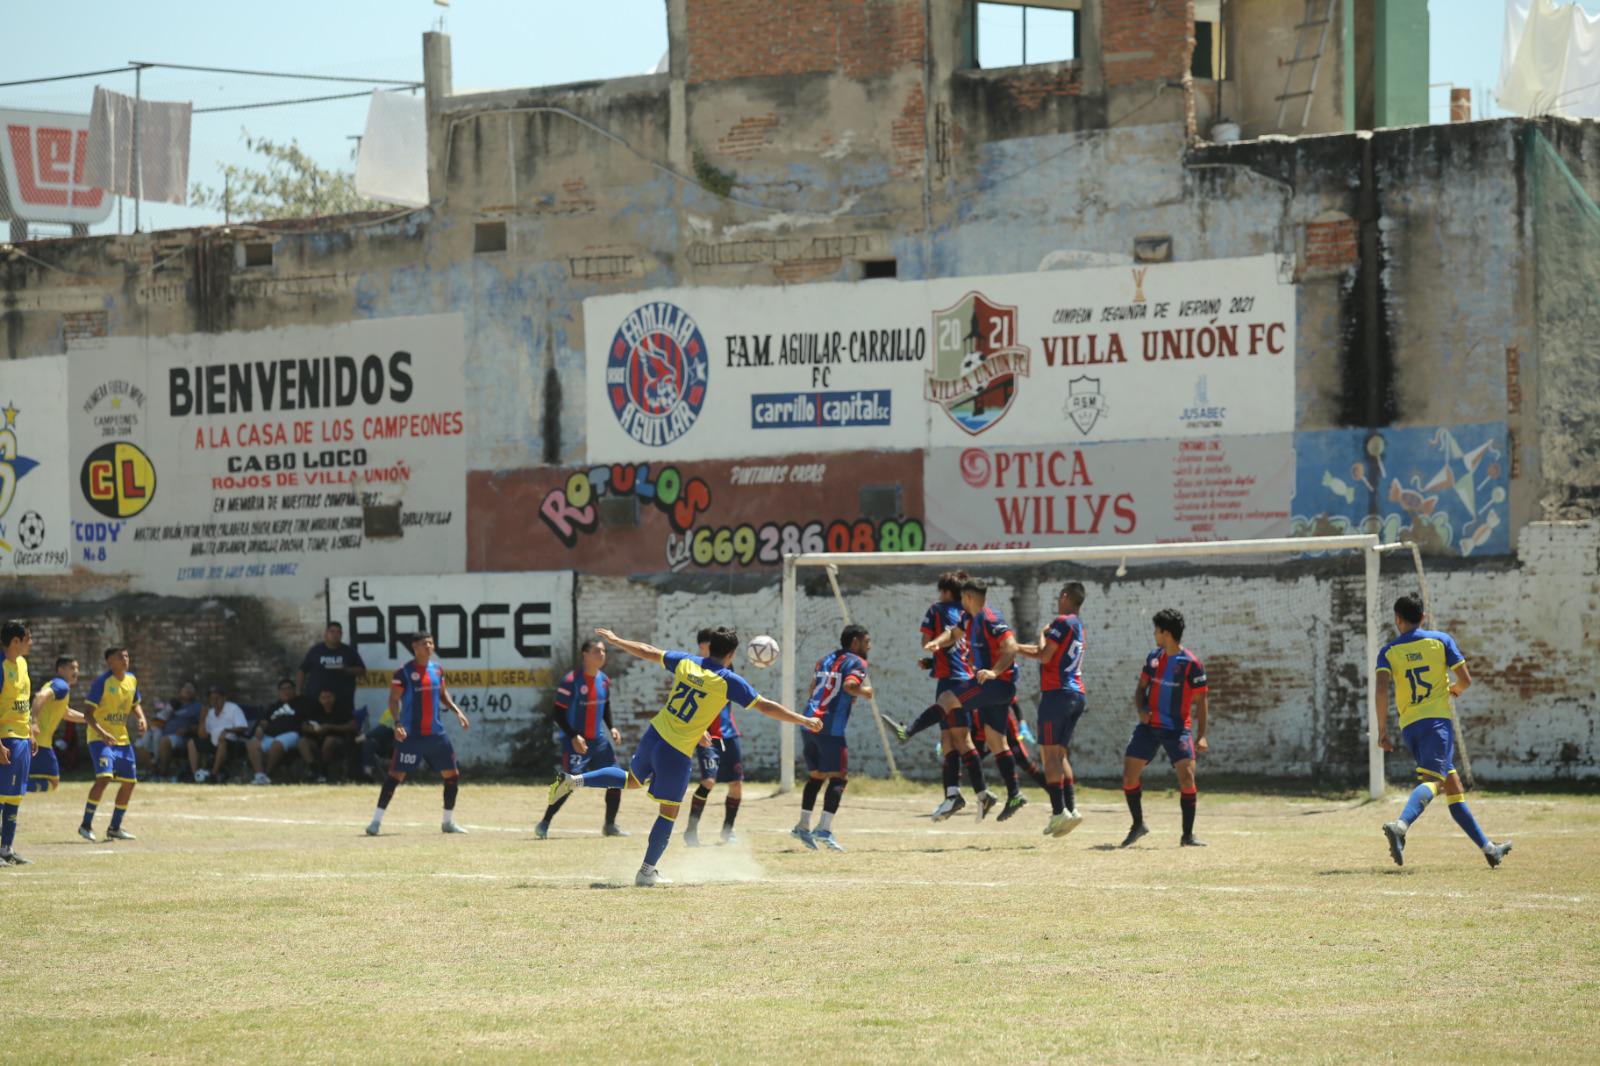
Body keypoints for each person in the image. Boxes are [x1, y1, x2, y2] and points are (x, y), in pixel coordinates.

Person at [546, 625, 822, 887]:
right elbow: (766, 706)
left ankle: (574, 780)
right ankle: (646, 872)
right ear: (731, 654)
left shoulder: (688, 662)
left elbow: (647, 650)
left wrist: (617, 641)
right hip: (675, 750)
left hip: (654, 733)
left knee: (631, 780)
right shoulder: (727, 680)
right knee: (669, 811)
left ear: (709, 647)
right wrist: (804, 720)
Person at [1377, 594, 1511, 868]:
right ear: (1423, 617)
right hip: (1437, 724)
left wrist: (1381, 730)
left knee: (1453, 784)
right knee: (1435, 782)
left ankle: (1489, 849)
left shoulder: (1389, 651)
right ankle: (1400, 826)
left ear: (1397, 619)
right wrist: (1455, 690)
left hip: (1410, 726)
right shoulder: (1441, 640)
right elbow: (1465, 679)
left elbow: (1380, 689)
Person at [365, 632, 471, 836]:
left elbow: (442, 694)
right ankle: (375, 822)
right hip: (411, 735)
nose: (430, 646)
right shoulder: (403, 672)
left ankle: (448, 822)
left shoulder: (437, 670)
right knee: (395, 776)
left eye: (431, 642)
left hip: (436, 734)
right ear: (414, 647)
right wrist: (397, 724)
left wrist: (458, 712)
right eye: (425, 644)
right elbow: (393, 700)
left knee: (452, 775)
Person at [1121, 608, 1208, 848]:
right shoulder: (1153, 658)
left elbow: (1201, 702)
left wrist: (1201, 736)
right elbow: (1140, 689)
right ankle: (1138, 825)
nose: (1154, 634)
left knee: (1187, 778)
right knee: (1129, 776)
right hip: (1148, 727)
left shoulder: (1191, 664)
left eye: (1157, 630)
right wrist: (1141, 710)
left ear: (1166, 633)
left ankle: (1187, 836)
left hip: (1177, 729)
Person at [792, 624, 872, 852]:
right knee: (839, 778)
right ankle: (823, 828)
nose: (869, 646)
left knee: (817, 776)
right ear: (855, 642)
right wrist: (865, 692)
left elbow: (812, 689)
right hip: (830, 728)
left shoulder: (824, 659)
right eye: (867, 641)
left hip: (808, 722)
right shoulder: (857, 662)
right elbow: (850, 686)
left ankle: (803, 825)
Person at [918, 571, 991, 821]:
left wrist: (932, 648)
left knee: (959, 739)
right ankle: (953, 795)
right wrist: (933, 663)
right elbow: (959, 648)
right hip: (964, 679)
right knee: (950, 738)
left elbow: (926, 640)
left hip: (949, 682)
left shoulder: (937, 609)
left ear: (945, 590)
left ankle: (980, 793)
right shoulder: (965, 614)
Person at [1017, 582, 1088, 837]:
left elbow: (1044, 655)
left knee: (1049, 756)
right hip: (1076, 694)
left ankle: (1058, 813)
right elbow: (1050, 652)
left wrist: (1015, 647)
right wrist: (1041, 638)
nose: (1058, 600)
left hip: (1057, 695)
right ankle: (1071, 810)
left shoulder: (1062, 621)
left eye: (1060, 595)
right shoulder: (1078, 625)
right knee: (1060, 754)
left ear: (1066, 596)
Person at [536, 638, 626, 839]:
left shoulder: (604, 680)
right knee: (570, 783)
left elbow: (605, 705)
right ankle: (544, 823)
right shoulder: (570, 681)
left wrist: (612, 727)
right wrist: (573, 736)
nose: (601, 654)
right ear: (585, 654)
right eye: (596, 651)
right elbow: (558, 713)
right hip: (576, 742)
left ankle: (609, 825)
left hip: (600, 742)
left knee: (616, 779)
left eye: (603, 651)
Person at [950, 577, 1024, 821]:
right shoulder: (972, 621)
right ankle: (1014, 794)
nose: (961, 602)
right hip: (993, 687)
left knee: (947, 700)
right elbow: (955, 636)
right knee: (996, 742)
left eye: (962, 598)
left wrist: (993, 671)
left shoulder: (990, 616)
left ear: (969, 597)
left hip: (995, 686)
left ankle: (907, 731)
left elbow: (1011, 647)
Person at [684, 626, 747, 848]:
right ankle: (691, 830)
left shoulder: (725, 668)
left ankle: (727, 832)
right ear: (702, 646)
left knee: (736, 784)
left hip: (729, 733)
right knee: (709, 781)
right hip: (707, 735)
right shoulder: (693, 669)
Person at [80, 646, 146, 843]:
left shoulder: (132, 680)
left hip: (122, 740)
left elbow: (135, 703)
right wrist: (103, 733)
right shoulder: (102, 682)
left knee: (129, 782)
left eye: (126, 655)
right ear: (110, 662)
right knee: (105, 777)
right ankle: (85, 825)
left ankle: (115, 828)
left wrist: (141, 718)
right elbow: (88, 714)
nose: (125, 659)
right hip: (99, 739)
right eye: (120, 657)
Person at [0, 621, 32, 864]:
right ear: (15, 642)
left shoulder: (22, 663)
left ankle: (7, 849)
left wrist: (31, 731)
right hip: (6, 737)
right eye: (27, 639)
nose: (30, 643)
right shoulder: (1, 666)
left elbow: (24, 701)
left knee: (15, 796)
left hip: (22, 737)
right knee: (1, 795)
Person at [28, 656, 85, 792]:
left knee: (51, 781)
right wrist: (34, 721)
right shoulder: (61, 685)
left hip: (41, 741)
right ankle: (14, 788)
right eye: (72, 668)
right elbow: (40, 696)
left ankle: (15, 787)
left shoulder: (58, 686)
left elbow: (65, 713)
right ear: (61, 670)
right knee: (52, 782)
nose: (76, 671)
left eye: (77, 668)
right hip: (39, 741)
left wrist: (90, 719)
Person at [248, 679, 314, 784]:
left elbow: (310, 721)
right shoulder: (273, 707)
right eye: (283, 689)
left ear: (294, 690)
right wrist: (260, 728)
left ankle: (267, 774)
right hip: (270, 735)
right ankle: (260, 775)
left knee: (277, 744)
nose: (286, 691)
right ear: (279, 692)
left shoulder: (302, 703)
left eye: (289, 688)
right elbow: (264, 722)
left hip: (292, 733)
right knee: (252, 743)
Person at [298, 622, 366, 721]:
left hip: (342, 699)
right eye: (332, 631)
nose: (335, 635)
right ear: (326, 634)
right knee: (314, 724)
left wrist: (346, 669)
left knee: (342, 725)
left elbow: (362, 671)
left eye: (339, 632)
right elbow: (302, 670)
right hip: (316, 698)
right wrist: (298, 691)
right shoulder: (315, 651)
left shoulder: (349, 651)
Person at [298, 688, 358, 782]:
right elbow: (304, 725)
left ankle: (323, 770)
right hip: (317, 741)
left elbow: (353, 726)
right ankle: (313, 769)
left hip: (339, 742)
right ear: (319, 699)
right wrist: (313, 730)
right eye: (323, 697)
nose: (326, 700)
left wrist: (330, 727)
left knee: (329, 740)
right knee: (302, 742)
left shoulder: (342, 709)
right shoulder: (314, 709)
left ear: (334, 697)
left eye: (329, 697)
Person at [191, 686, 249, 783]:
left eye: (217, 698)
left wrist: (226, 730)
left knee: (222, 741)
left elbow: (243, 727)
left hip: (231, 742)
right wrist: (202, 719)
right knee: (191, 743)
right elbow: (202, 735)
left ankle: (213, 775)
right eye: (212, 699)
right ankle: (195, 775)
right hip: (213, 741)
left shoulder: (233, 708)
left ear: (224, 698)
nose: (215, 701)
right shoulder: (209, 713)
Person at [153, 682, 202, 779]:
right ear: (180, 692)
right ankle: (153, 771)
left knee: (165, 741)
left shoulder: (197, 707)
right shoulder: (173, 704)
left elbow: (200, 725)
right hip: (164, 734)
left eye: (191, 688)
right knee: (141, 743)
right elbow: (158, 720)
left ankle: (162, 774)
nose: (188, 690)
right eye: (185, 688)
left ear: (195, 693)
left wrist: (188, 729)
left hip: (182, 737)